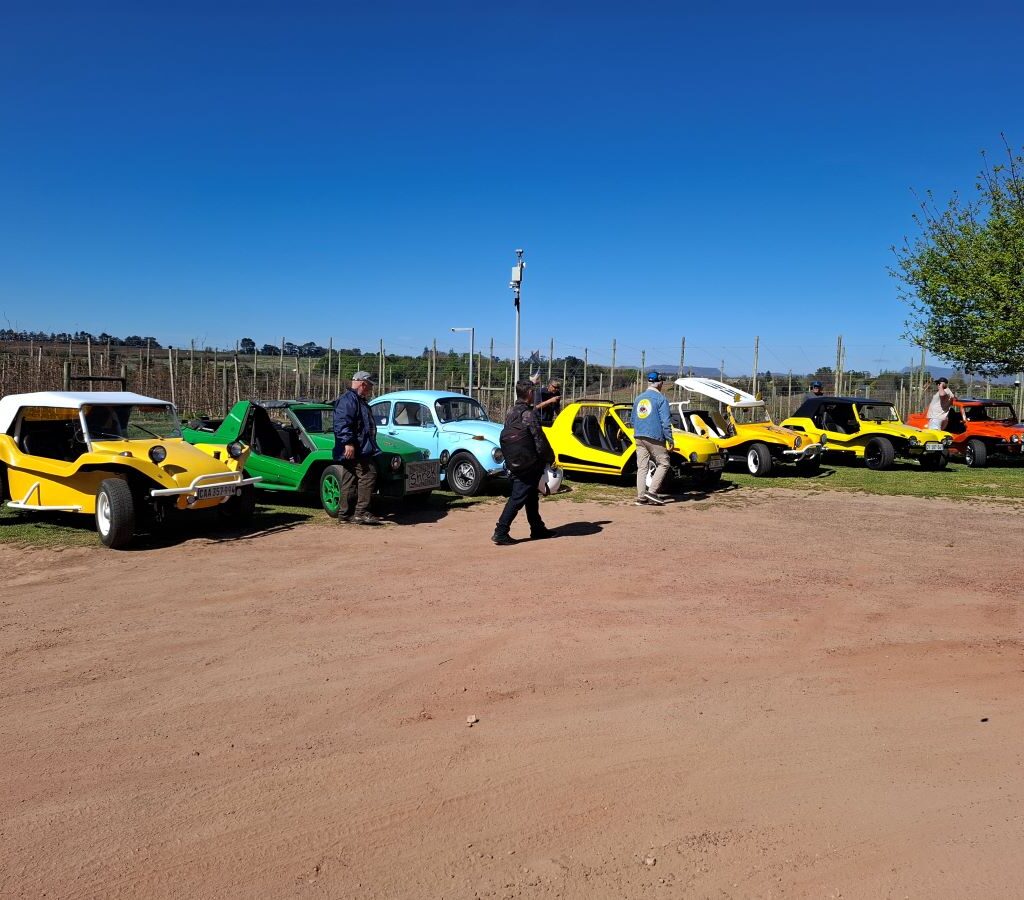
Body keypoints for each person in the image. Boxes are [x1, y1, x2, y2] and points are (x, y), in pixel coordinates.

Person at [492, 379, 556, 545]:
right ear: (529, 394)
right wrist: (550, 458)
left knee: (531, 494)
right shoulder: (529, 414)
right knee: (518, 497)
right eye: (533, 392)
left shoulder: (510, 412)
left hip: (514, 460)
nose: (534, 395)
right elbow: (539, 440)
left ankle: (537, 528)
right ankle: (501, 531)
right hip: (528, 463)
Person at [333, 370, 383, 525]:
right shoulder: (349, 400)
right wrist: (348, 442)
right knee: (368, 474)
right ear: (363, 384)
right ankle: (361, 513)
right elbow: (341, 422)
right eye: (370, 386)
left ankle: (345, 514)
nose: (371, 389)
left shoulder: (356, 400)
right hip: (356, 447)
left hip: (357, 447)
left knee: (350, 477)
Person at [632, 372, 673, 506]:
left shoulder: (638, 399)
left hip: (639, 436)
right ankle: (652, 492)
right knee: (664, 462)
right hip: (655, 436)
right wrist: (670, 439)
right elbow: (665, 422)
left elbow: (633, 419)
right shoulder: (661, 399)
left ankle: (641, 496)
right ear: (660, 383)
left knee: (642, 467)